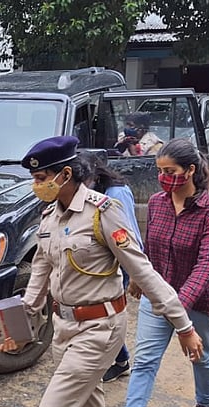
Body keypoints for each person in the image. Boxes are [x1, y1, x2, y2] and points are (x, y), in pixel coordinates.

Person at [20, 136, 203, 407]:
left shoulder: (103, 211)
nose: (37, 184)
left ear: (66, 173)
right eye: (35, 178)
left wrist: (183, 325)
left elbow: (144, 271)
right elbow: (40, 272)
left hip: (100, 329)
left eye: (42, 177)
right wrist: (18, 324)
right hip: (65, 329)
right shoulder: (49, 217)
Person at [109, 137, 209, 407]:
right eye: (159, 170)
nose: (163, 177)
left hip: (197, 302)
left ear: (189, 170)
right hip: (156, 297)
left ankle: (205, 405)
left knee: (199, 356)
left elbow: (206, 265)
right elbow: (150, 250)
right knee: (145, 359)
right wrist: (138, 279)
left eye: (170, 170)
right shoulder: (158, 203)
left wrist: (179, 311)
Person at [77, 151, 144, 383]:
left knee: (108, 314)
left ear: (94, 175)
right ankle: (119, 358)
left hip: (120, 261)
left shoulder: (115, 193)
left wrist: (135, 274)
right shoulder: (90, 193)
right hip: (101, 260)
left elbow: (127, 236)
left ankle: (121, 360)